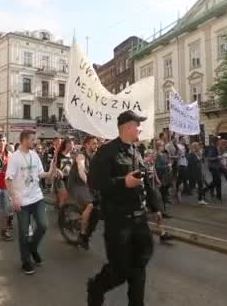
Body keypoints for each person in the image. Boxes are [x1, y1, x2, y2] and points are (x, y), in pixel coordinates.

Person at [87, 110, 162, 306]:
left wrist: (156, 207)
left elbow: (144, 182)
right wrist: (123, 183)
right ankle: (96, 287)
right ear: (128, 127)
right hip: (118, 222)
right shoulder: (107, 152)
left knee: (140, 265)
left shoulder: (136, 152)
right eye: (138, 125)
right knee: (120, 270)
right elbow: (95, 182)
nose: (140, 128)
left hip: (139, 219)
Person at [5, 130, 57, 275]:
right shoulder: (15, 157)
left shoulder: (35, 155)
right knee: (23, 233)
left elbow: (40, 174)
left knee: (43, 225)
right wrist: (14, 197)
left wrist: (51, 172)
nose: (36, 142)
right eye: (33, 139)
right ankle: (26, 261)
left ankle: (33, 248)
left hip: (37, 197)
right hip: (22, 201)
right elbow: (8, 180)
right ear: (25, 140)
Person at [67, 135, 99, 250]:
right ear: (86, 145)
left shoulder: (95, 157)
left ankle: (87, 231)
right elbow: (81, 171)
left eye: (96, 143)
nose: (96, 145)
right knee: (90, 204)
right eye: (93, 143)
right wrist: (89, 183)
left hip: (87, 184)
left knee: (99, 207)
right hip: (77, 184)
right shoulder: (81, 156)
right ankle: (82, 233)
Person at [154, 139, 172, 217]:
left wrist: (169, 165)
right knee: (161, 195)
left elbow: (167, 162)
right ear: (158, 147)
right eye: (162, 145)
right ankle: (162, 211)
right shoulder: (157, 155)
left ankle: (163, 210)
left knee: (165, 194)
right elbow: (157, 167)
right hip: (161, 177)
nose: (163, 147)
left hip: (166, 176)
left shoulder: (164, 154)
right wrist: (167, 166)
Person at [53, 138, 74, 207]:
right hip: (60, 177)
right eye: (71, 144)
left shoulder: (72, 155)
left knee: (67, 196)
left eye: (72, 144)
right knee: (64, 195)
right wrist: (58, 170)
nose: (72, 146)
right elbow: (54, 165)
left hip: (69, 178)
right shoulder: (58, 153)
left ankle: (61, 207)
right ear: (66, 145)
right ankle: (61, 215)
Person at [205, 136, 224, 201]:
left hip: (216, 166)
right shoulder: (212, 148)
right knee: (217, 181)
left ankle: (218, 196)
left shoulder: (215, 147)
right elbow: (209, 158)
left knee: (217, 181)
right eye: (218, 141)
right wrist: (218, 157)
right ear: (216, 141)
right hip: (213, 167)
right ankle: (205, 190)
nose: (219, 142)